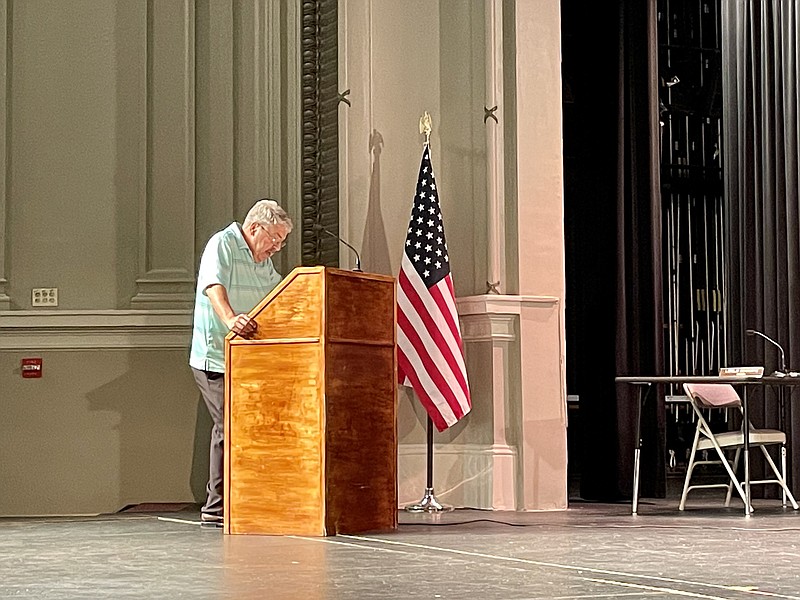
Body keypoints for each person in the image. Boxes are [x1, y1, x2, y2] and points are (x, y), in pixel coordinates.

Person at [189, 198, 293, 524]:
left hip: (250, 360)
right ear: (253, 228)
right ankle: (216, 509)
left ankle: (250, 500)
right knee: (230, 425)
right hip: (215, 356)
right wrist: (231, 318)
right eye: (274, 239)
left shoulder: (263, 261)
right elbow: (213, 285)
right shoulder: (223, 243)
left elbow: (279, 295)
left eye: (282, 241)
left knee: (253, 426)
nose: (277, 247)